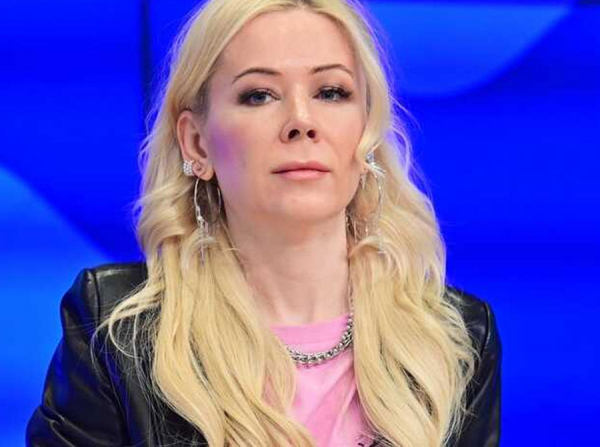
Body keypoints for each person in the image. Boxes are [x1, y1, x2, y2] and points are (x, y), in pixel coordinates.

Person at [26, 0, 501, 445]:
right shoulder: (115, 334)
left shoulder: (454, 340)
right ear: (196, 144)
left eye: (331, 92)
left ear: (367, 131)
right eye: (259, 95)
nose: (301, 121)